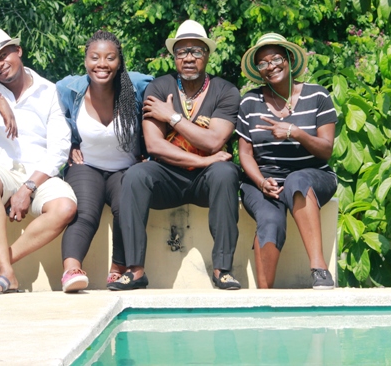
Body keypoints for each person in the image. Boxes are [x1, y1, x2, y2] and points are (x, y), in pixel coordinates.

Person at [109, 19, 242, 291]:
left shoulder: (226, 91)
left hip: (209, 179)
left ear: (207, 55)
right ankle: (135, 270)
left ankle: (222, 270)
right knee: (135, 175)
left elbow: (215, 140)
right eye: (182, 52)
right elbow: (155, 145)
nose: (189, 58)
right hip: (168, 175)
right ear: (174, 57)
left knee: (226, 172)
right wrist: (202, 158)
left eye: (196, 51)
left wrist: (171, 116)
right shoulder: (158, 87)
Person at [0, 28, 78, 295]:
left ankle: (0, 267)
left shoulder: (49, 91)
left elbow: (59, 148)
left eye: (4, 55)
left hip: (39, 172)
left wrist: (28, 188)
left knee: (65, 207)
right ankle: (8, 275)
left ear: (18, 51)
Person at [237, 33, 337, 289]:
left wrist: (295, 132)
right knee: (270, 221)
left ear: (289, 59)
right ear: (259, 71)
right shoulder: (250, 101)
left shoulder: (318, 96)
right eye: (263, 63)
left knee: (297, 179)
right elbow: (245, 153)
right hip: (265, 181)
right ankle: (265, 299)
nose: (270, 66)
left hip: (314, 175)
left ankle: (320, 270)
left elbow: (326, 150)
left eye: (276, 58)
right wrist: (260, 183)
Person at [56, 30, 152, 292]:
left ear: (119, 61)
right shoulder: (69, 89)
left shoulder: (136, 86)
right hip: (86, 165)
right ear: (85, 60)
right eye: (94, 57)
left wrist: (151, 156)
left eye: (110, 58)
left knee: (126, 208)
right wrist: (67, 147)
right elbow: (54, 121)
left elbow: (166, 98)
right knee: (85, 212)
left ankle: (118, 270)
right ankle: (71, 271)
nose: (102, 64)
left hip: (126, 168)